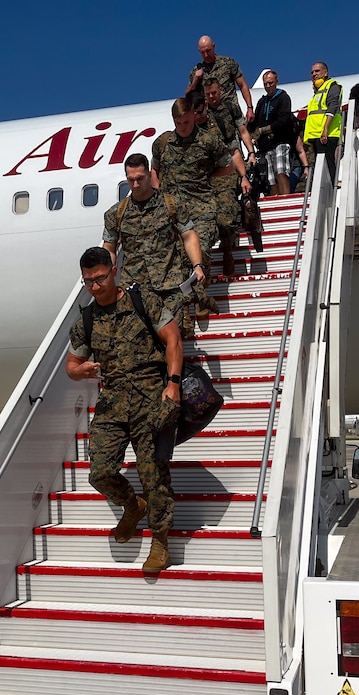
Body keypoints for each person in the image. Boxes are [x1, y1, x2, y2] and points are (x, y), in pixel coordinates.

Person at [66, 247, 183, 573]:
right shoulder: (87, 319)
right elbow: (71, 365)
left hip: (150, 400)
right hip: (112, 404)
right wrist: (81, 371)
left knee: (154, 475)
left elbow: (173, 339)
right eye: (88, 281)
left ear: (112, 270)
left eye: (100, 278)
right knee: (99, 472)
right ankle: (132, 505)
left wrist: (172, 384)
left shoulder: (142, 302)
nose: (95, 286)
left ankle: (161, 543)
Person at [152, 97, 230, 334]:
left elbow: (227, 166)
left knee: (201, 250)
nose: (182, 127)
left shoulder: (208, 140)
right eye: (178, 122)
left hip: (201, 206)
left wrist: (204, 179)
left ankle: (198, 293)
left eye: (186, 121)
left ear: (193, 117)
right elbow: (155, 168)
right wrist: (158, 194)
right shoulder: (163, 142)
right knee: (176, 258)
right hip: (173, 210)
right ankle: (195, 299)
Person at [102, 154, 206, 332]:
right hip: (134, 288)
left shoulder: (171, 204)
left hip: (170, 285)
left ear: (150, 175)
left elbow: (189, 236)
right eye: (131, 180)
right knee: (137, 341)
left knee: (174, 338)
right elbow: (109, 248)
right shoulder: (116, 213)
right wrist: (106, 275)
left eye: (140, 179)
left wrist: (197, 265)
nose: (135, 184)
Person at [201, 79, 254, 278]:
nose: (211, 97)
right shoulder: (200, 115)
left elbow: (240, 134)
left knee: (226, 218)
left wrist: (250, 155)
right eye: (208, 94)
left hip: (227, 169)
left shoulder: (229, 109)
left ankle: (227, 251)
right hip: (207, 175)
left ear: (221, 91)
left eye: (214, 93)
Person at [185, 35, 255, 125]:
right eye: (203, 52)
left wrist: (250, 108)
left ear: (213, 46)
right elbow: (188, 96)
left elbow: (242, 85)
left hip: (232, 116)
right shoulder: (196, 71)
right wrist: (195, 80)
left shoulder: (228, 63)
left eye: (208, 50)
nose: (206, 55)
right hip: (211, 122)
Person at [251, 70, 296, 196]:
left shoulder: (283, 97)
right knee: (270, 178)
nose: (268, 86)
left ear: (276, 81)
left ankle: (285, 198)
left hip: (280, 141)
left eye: (270, 83)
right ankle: (275, 200)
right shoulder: (262, 102)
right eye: (265, 84)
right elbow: (256, 121)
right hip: (265, 145)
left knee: (281, 171)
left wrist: (264, 130)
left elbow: (284, 120)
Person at [304, 62, 343, 186]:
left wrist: (325, 129)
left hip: (328, 134)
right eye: (312, 72)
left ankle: (332, 187)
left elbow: (332, 107)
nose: (314, 74)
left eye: (317, 71)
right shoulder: (318, 91)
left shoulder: (332, 86)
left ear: (325, 73)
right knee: (320, 165)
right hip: (316, 135)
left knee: (328, 163)